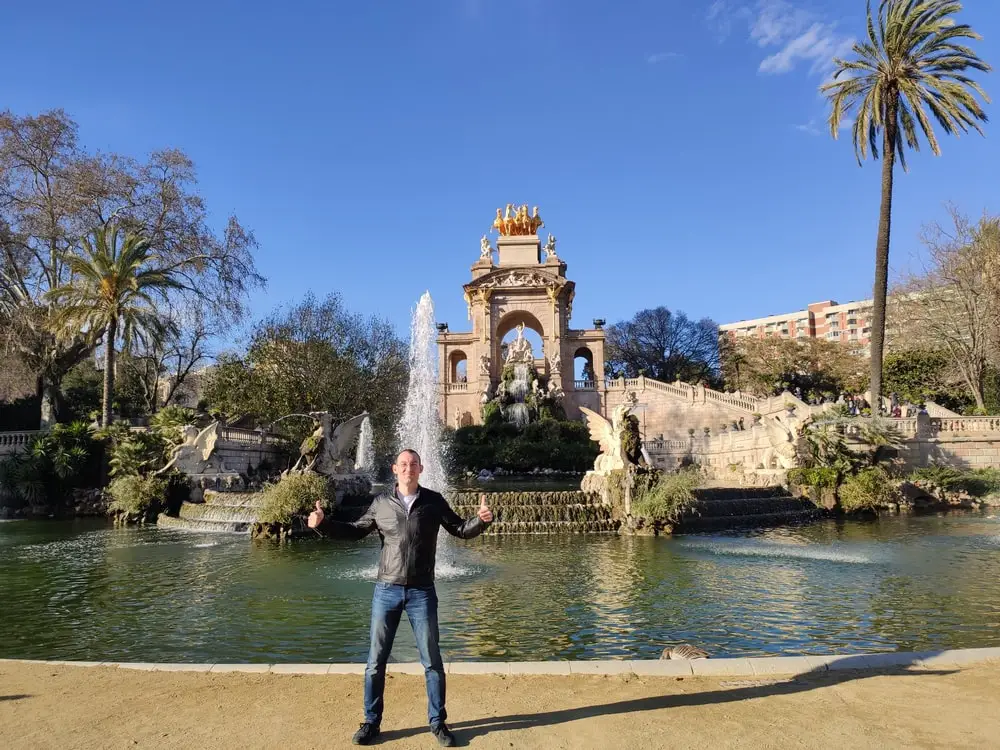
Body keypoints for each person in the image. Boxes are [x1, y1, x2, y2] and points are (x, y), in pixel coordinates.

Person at [307, 448, 493, 747]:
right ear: (395, 469)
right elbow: (355, 532)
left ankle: (438, 722)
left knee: (432, 661)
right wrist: (323, 524)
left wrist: (480, 521)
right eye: (403, 464)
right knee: (375, 662)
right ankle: (371, 722)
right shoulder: (381, 503)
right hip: (387, 589)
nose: (408, 469)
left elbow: (459, 529)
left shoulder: (433, 501)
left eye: (414, 464)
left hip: (422, 591)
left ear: (421, 469)